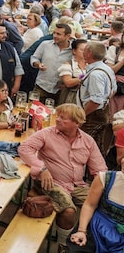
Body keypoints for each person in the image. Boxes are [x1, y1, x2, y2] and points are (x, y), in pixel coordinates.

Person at [19, 104, 107, 252]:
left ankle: (93, 241)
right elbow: (24, 149)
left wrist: (103, 188)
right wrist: (42, 168)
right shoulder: (47, 133)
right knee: (68, 211)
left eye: (63, 118)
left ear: (76, 123)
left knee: (106, 203)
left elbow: (100, 169)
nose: (58, 120)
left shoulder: (87, 141)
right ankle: (63, 246)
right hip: (52, 183)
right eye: (58, 116)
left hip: (78, 185)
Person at [67, 169, 124, 253]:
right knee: (78, 247)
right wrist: (82, 231)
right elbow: (89, 205)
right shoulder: (106, 178)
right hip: (97, 228)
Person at [78, 41, 116, 163]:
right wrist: (105, 102)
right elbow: (113, 90)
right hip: (103, 111)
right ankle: (97, 175)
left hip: (92, 114)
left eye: (84, 50)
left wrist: (82, 114)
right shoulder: (106, 69)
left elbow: (95, 100)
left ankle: (85, 176)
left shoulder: (95, 74)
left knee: (82, 145)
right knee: (96, 147)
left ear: (88, 53)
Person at [31, 23, 74, 102]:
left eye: (58, 34)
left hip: (60, 90)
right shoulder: (45, 44)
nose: (55, 36)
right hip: (41, 86)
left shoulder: (73, 51)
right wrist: (38, 64)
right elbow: (34, 58)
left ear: (67, 36)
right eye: (54, 33)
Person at [58, 39, 88, 105]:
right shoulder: (68, 65)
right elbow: (68, 82)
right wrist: (85, 77)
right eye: (82, 50)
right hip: (71, 97)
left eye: (87, 50)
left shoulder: (90, 65)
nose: (85, 52)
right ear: (74, 51)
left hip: (85, 98)